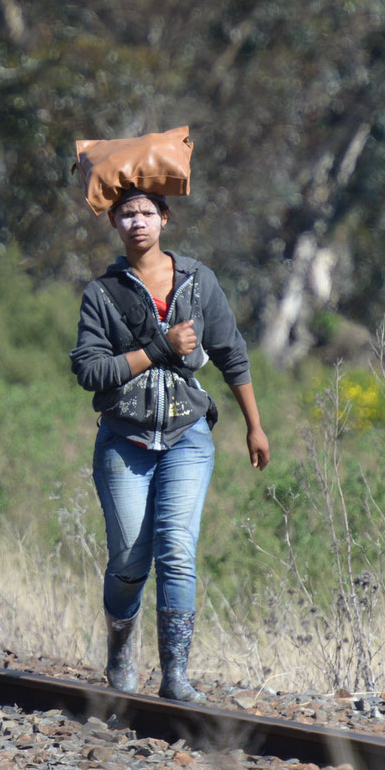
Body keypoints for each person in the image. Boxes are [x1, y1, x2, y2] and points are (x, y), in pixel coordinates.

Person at [68, 188, 269, 702]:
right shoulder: (102, 293)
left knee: (177, 551)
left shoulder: (199, 283)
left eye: (148, 213)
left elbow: (231, 352)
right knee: (131, 560)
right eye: (128, 214)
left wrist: (254, 424)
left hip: (188, 435)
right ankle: (119, 648)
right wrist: (158, 348)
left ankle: (175, 677)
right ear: (113, 221)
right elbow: (90, 371)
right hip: (124, 438)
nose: (139, 222)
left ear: (165, 219)